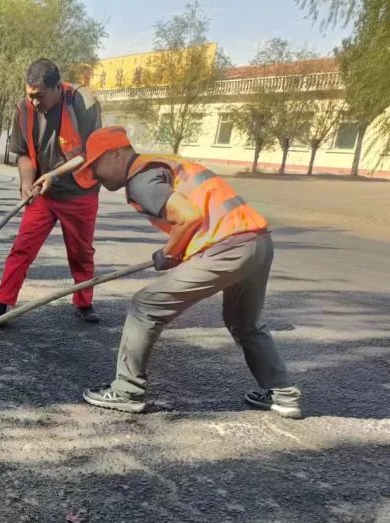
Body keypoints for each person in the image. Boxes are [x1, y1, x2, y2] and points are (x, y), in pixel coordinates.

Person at [73, 126, 302, 418]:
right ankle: (283, 394)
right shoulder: (160, 164)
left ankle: (127, 390)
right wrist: (177, 251)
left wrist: (170, 253)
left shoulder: (140, 180)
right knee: (244, 322)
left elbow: (188, 216)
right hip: (258, 242)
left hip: (229, 248)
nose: (96, 178)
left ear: (116, 153)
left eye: (96, 167)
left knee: (145, 306)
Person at [0, 59, 102, 325]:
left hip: (80, 193)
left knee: (80, 252)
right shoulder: (23, 109)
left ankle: (84, 303)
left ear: (58, 86)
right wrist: (26, 181)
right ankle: (1, 305)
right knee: (22, 247)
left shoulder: (84, 102)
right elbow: (22, 154)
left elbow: (91, 153)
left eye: (40, 96)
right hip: (44, 194)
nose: (34, 102)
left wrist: (53, 174)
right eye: (30, 95)